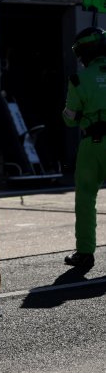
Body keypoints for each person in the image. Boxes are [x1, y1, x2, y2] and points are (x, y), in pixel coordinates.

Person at [62, 26, 106, 268]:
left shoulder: (79, 79)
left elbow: (70, 118)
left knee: (86, 198)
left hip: (93, 145)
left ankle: (85, 253)